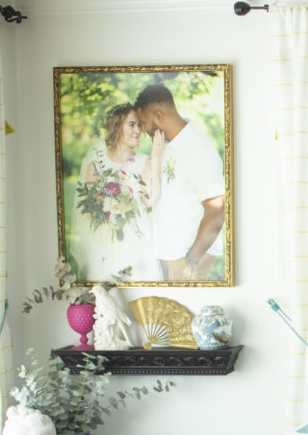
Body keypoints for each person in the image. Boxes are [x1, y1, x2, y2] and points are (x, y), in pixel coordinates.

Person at [135, 83, 225, 281]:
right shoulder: (166, 145)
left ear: (159, 116)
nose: (143, 130)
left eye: (144, 123)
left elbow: (217, 210)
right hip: (168, 255)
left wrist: (192, 260)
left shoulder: (199, 150)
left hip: (188, 260)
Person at [74, 103, 164, 281]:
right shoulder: (96, 165)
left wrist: (156, 158)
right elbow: (89, 212)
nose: (137, 130)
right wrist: (111, 211)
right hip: (105, 245)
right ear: (117, 126)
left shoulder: (144, 162)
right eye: (131, 124)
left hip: (137, 243)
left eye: (139, 125)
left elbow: (150, 200)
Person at [92, 283, 134, 350]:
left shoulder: (105, 298)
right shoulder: (98, 299)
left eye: (95, 292)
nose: (95, 294)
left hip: (114, 316)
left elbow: (114, 310)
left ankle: (129, 341)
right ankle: (112, 340)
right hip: (108, 318)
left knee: (120, 328)